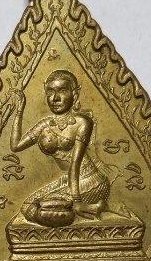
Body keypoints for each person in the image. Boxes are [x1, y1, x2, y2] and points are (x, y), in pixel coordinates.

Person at [9, 70, 109, 226]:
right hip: (66, 181)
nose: (55, 98)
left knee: (39, 210)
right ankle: (89, 209)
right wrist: (19, 111)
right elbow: (15, 146)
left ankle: (85, 208)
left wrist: (77, 201)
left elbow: (75, 164)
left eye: (62, 90)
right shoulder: (45, 124)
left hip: (90, 181)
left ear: (74, 94)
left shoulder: (82, 123)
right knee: (28, 207)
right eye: (50, 92)